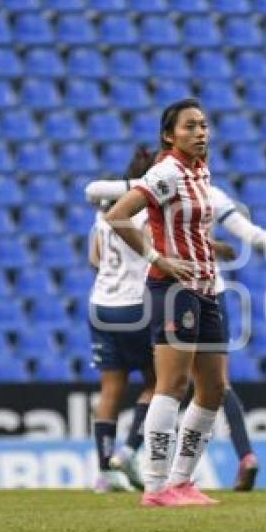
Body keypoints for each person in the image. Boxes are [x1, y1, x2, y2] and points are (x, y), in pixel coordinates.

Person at [86, 161, 266, 493]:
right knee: (180, 384)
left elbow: (96, 246)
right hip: (185, 291)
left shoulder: (190, 191)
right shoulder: (174, 188)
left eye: (202, 128)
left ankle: (140, 469)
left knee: (199, 384)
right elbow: (249, 235)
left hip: (158, 295)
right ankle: (163, 475)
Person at [105, 98, 225, 507]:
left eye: (204, 126)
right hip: (174, 290)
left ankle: (181, 480)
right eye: (190, 127)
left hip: (207, 290)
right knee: (172, 384)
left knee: (213, 388)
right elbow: (118, 215)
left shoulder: (200, 172)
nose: (200, 133)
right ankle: (155, 487)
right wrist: (158, 258)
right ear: (169, 136)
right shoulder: (167, 172)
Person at [88, 146, 157, 493]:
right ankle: (128, 452)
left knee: (110, 390)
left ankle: (105, 473)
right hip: (135, 305)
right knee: (162, 383)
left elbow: (94, 259)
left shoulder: (104, 212)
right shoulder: (149, 211)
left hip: (100, 303)